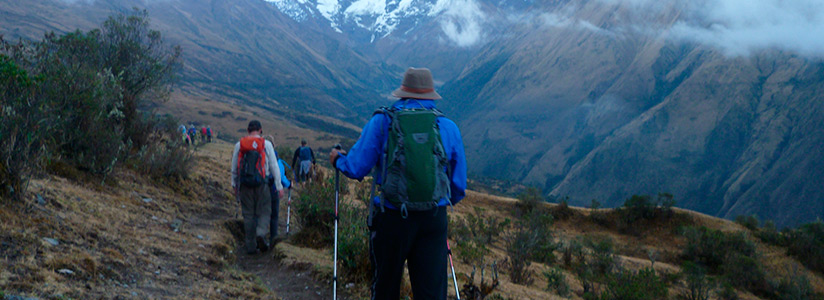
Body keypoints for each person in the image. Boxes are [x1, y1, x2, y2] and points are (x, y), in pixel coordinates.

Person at [329, 67, 467, 300]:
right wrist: (441, 202)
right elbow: (458, 183)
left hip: (392, 217)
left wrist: (337, 160)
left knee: (386, 287)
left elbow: (356, 167)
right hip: (434, 219)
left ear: (402, 93)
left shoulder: (383, 121)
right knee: (431, 292)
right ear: (430, 96)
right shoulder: (447, 126)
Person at [231, 120, 285, 254]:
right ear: (261, 130)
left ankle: (250, 246)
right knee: (265, 211)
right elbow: (274, 166)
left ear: (248, 130)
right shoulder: (266, 144)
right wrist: (279, 186)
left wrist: (234, 185)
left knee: (248, 215)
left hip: (245, 185)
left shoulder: (240, 145)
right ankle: (261, 233)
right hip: (262, 184)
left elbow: (235, 168)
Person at [264, 136, 291, 246]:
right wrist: (288, 184)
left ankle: (259, 236)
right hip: (274, 190)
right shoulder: (277, 159)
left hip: (261, 189)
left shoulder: (260, 156)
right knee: (274, 216)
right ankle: (273, 239)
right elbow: (280, 176)